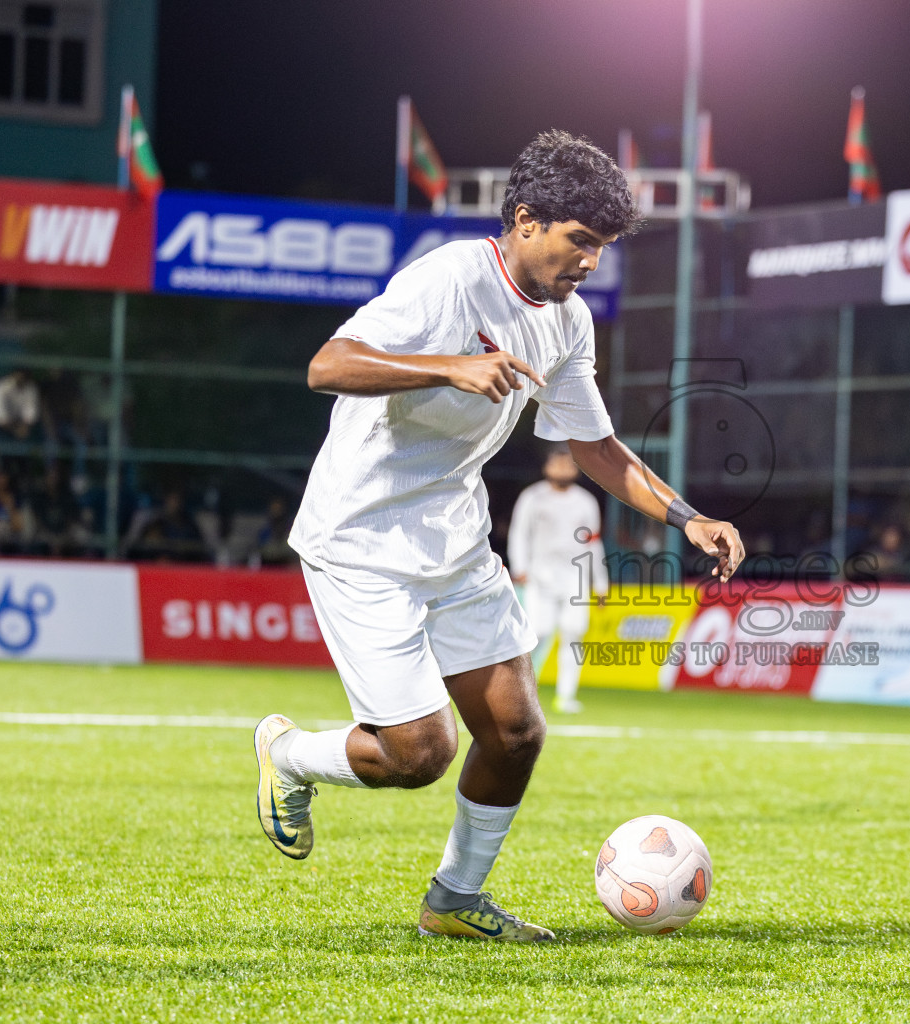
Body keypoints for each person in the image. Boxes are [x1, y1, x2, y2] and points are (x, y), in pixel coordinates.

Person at [253, 130, 744, 943]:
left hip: (453, 537)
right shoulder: (450, 280)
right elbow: (328, 365)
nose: (590, 263)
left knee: (515, 730)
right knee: (417, 752)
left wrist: (690, 517)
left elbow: (594, 444)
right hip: (361, 539)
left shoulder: (566, 322)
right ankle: (291, 754)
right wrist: (446, 365)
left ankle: (454, 901)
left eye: (602, 248)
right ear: (525, 221)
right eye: (579, 242)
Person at [507, 443, 608, 715]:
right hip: (540, 575)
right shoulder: (533, 497)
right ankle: (524, 694)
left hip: (576, 578)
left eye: (569, 464)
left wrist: (600, 582)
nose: (563, 468)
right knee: (537, 634)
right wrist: (520, 567)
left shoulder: (585, 501)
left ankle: (566, 696)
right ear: (547, 466)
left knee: (573, 635)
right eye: (558, 463)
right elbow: (519, 533)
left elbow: (593, 543)